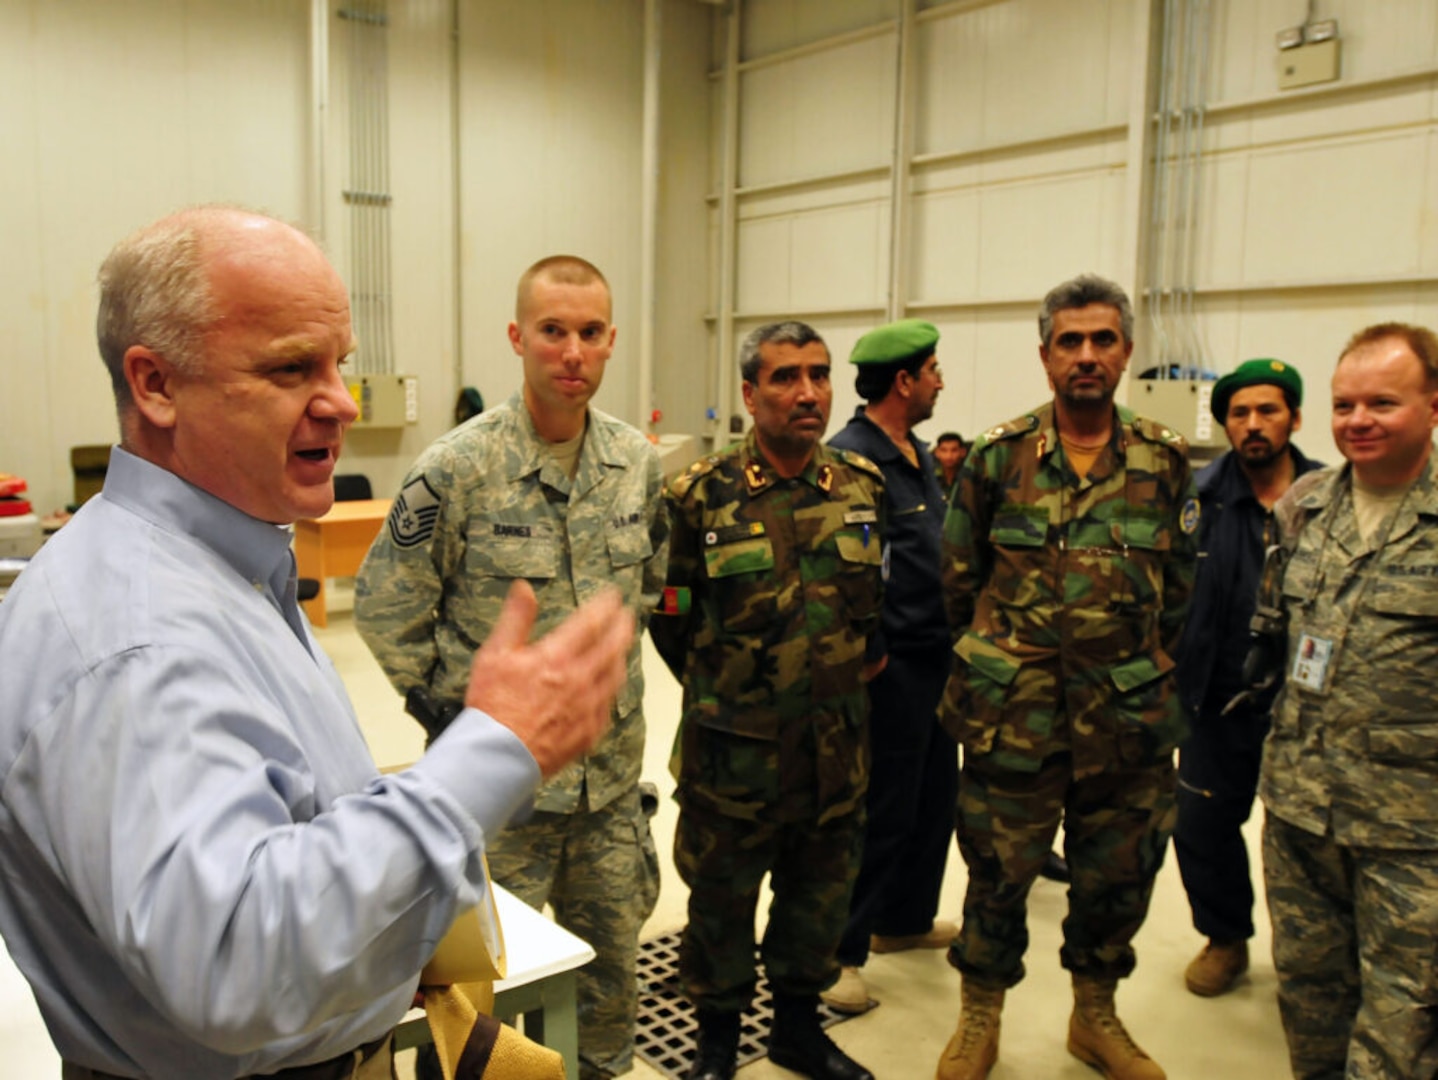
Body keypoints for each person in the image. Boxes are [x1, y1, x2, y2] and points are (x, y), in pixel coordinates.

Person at [0, 206, 635, 1080]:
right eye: (293, 367)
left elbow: (279, 815)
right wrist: (491, 745)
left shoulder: (226, 564)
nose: (340, 401)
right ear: (156, 386)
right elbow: (234, 959)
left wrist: (379, 935)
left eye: (340, 362)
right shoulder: (133, 640)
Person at [355, 255, 668, 1080]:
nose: (572, 351)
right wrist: (460, 725)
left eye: (590, 333)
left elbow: (651, 589)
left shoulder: (637, 462)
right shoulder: (456, 467)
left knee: (607, 995)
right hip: (503, 806)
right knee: (480, 1009)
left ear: (610, 342)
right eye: (552, 331)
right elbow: (387, 605)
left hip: (607, 795)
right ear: (517, 338)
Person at [934, 274, 1197, 1080]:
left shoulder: (1164, 459)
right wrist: (1005, 663)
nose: (1087, 356)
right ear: (1046, 354)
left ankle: (1095, 1016)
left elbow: (1178, 594)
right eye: (1070, 342)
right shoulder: (995, 457)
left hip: (1128, 725)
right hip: (1016, 720)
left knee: (1117, 876)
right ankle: (981, 1017)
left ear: (1125, 351)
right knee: (996, 876)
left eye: (1103, 340)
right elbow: (957, 584)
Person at [651, 320, 885, 1080]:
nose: (808, 392)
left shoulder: (859, 487)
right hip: (734, 760)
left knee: (816, 904)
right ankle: (717, 1047)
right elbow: (671, 614)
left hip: (835, 753)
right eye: (785, 377)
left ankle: (796, 1033)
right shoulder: (699, 496)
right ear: (751, 394)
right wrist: (730, 689)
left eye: (819, 375)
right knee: (721, 908)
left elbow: (869, 612)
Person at [1256, 323, 1438, 1079]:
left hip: (1412, 825)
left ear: (1433, 405)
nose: (1358, 420)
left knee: (1403, 1015)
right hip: (1300, 809)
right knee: (1310, 994)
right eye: (1344, 404)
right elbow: (1273, 641)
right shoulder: (1304, 506)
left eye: (1383, 403)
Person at [819, 319, 958, 1015]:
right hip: (890, 668)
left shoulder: (917, 454)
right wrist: (869, 654)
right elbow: (844, 574)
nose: (940, 380)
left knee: (934, 800)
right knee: (879, 811)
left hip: (938, 658)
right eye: (933, 370)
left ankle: (902, 919)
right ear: (903, 381)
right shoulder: (853, 459)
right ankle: (841, 951)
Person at [1173, 359, 1322, 998]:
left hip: (1306, 706)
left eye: (1269, 410)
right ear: (1225, 423)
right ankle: (1225, 936)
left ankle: (1316, 961)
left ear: (1294, 418)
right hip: (1216, 699)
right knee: (1201, 825)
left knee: (1307, 839)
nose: (1254, 424)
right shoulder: (1196, 500)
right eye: (1240, 413)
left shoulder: (1328, 496)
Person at [933, 431, 968, 502]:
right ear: (937, 452)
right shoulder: (930, 478)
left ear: (963, 452)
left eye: (954, 450)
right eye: (944, 450)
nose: (949, 456)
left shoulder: (969, 478)